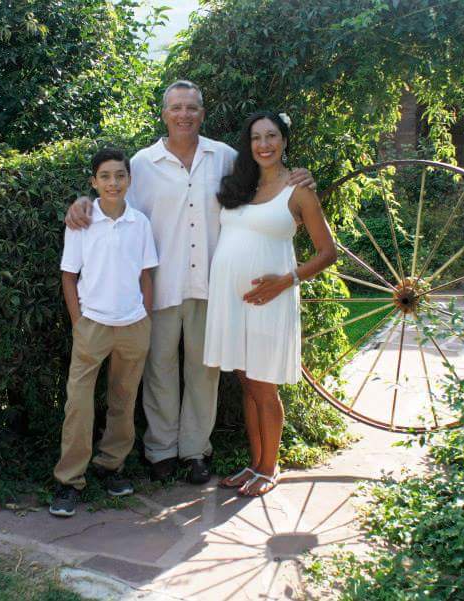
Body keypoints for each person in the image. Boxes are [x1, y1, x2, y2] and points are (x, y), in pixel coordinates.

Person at [65, 81, 316, 484]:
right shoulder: (143, 163)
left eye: (191, 108)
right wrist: (82, 204)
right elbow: (114, 200)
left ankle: (195, 451)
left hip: (212, 285)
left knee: (204, 372)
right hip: (159, 284)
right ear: (164, 114)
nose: (184, 115)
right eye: (176, 108)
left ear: (202, 113)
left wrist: (301, 177)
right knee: (159, 370)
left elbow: (267, 182)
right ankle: (161, 450)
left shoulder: (225, 157)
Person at [204, 111, 337, 497]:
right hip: (232, 301)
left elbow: (327, 253)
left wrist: (285, 280)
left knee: (263, 387)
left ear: (284, 140)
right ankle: (255, 463)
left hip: (270, 300)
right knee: (247, 384)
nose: (264, 144)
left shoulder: (298, 190)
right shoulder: (239, 186)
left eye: (272, 136)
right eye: (256, 138)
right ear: (248, 145)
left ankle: (269, 467)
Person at [50, 148, 158, 517]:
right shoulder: (81, 222)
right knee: (78, 405)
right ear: (94, 182)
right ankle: (69, 480)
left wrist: (145, 317)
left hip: (133, 325)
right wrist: (78, 322)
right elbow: (69, 276)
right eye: (106, 176)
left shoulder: (140, 223)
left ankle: (112, 466)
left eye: (120, 175)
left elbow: (146, 275)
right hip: (92, 325)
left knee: (123, 401)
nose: (113, 183)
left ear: (129, 179)